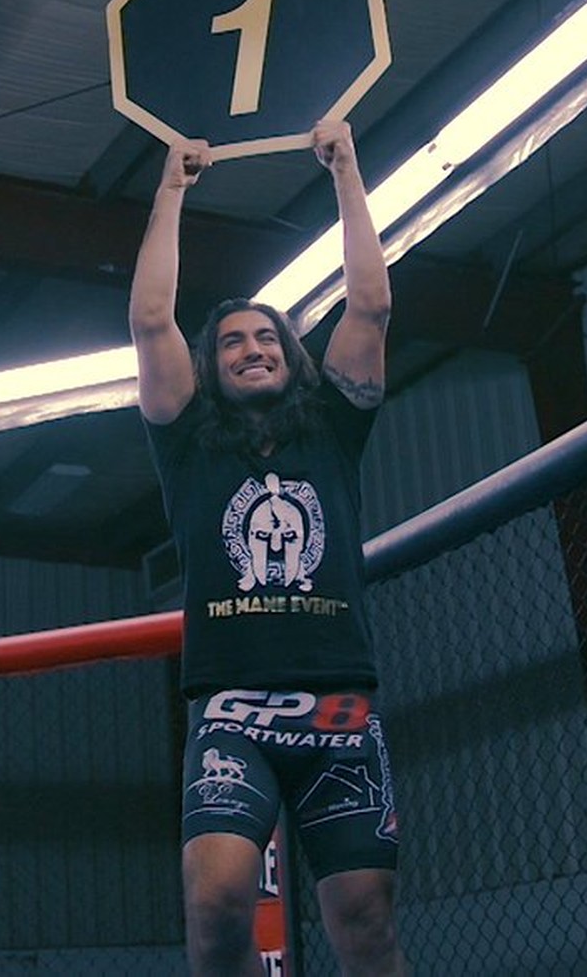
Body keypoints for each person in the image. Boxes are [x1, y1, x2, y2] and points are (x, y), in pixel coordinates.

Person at [131, 119, 408, 976]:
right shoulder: (188, 444)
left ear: (291, 357)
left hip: (338, 704)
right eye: (232, 341)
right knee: (216, 905)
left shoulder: (332, 429)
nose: (251, 347)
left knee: (364, 920)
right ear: (212, 368)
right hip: (230, 707)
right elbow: (151, 320)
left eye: (266, 337)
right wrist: (171, 188)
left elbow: (372, 305)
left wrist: (346, 167)